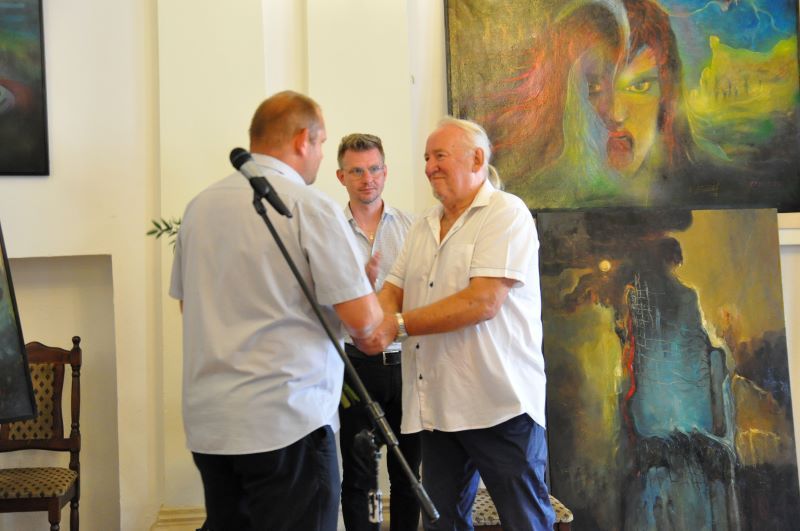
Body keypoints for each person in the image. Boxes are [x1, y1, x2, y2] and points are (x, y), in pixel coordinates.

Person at [169, 90, 383, 531]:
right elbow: (364, 322)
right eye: (322, 144)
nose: (320, 156)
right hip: (287, 421)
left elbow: (190, 308)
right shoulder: (308, 206)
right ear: (304, 139)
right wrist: (360, 287)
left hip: (212, 424)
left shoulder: (199, 207)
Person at [356, 117, 555, 530]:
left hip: (499, 404)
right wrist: (370, 320)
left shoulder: (506, 213)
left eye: (440, 156)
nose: (429, 167)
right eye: (426, 158)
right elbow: (393, 289)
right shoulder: (423, 224)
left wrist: (394, 325)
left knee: (526, 521)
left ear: (477, 159)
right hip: (438, 407)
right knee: (441, 523)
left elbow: (482, 301)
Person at [335, 133, 421, 531]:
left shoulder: (413, 228)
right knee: (358, 476)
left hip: (408, 366)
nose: (367, 179)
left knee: (408, 472)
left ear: (386, 172)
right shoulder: (329, 232)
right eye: (356, 171)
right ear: (341, 176)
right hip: (354, 368)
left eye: (374, 169)